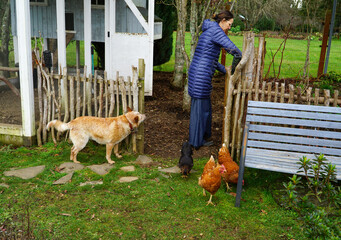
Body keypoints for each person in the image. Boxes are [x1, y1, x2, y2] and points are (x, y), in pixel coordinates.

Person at [188, 10, 242, 150]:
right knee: (200, 110)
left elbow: (211, 60)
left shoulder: (209, 30)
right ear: (223, 21)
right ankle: (195, 142)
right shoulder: (216, 31)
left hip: (199, 73)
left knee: (204, 108)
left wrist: (227, 71)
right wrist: (237, 68)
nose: (229, 27)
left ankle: (202, 138)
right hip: (201, 75)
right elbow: (235, 51)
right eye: (229, 24)